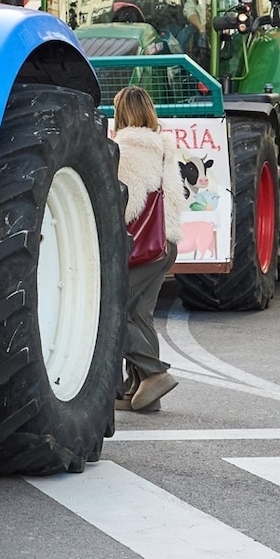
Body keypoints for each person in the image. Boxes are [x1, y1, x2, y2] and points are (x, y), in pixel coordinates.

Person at [113, 85, 186, 412]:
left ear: (122, 113)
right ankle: (140, 391)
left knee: (112, 311)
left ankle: (154, 374)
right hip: (164, 243)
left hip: (141, 245)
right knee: (140, 314)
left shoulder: (127, 149)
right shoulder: (162, 146)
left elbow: (128, 206)